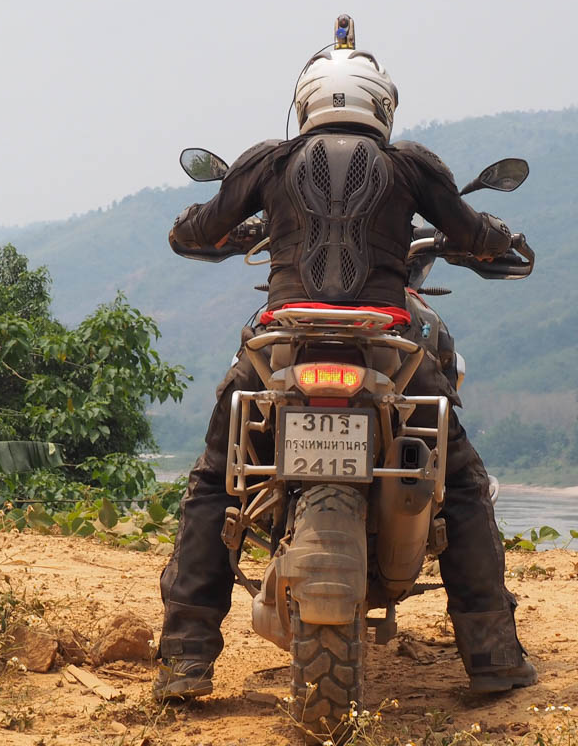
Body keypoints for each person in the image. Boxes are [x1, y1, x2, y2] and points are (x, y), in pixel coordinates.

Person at [156, 42, 536, 701]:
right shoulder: (410, 164)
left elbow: (195, 233)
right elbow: (472, 232)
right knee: (464, 485)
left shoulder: (269, 161)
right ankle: (493, 658)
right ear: (383, 106)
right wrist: (496, 238)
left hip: (284, 348)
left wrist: (227, 225)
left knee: (217, 481)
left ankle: (187, 658)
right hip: (385, 348)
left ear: (303, 104)